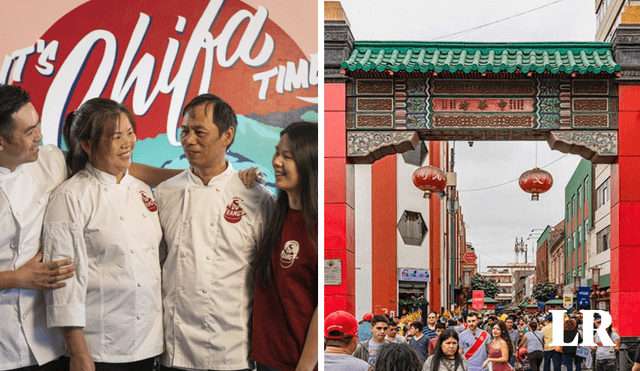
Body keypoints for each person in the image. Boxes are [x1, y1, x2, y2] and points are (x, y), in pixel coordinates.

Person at [155, 93, 276, 371]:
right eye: (184, 131)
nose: (189, 140)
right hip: (175, 347)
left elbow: (268, 275)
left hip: (232, 347)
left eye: (200, 132)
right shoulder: (165, 193)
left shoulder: (256, 197)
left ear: (227, 135)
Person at [43, 98, 164, 371]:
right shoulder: (71, 196)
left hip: (150, 343)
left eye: (130, 133)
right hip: (100, 349)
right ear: (87, 145)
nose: (127, 143)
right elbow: (63, 285)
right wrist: (79, 353)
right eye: (116, 137)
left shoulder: (143, 189)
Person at [0, 84, 76, 370]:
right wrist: (17, 278)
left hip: (48, 341)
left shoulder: (52, 160)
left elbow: (111, 169)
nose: (40, 136)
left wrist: (187, 174)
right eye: (29, 131)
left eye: (38, 126)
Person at [251, 121, 318, 371]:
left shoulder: (317, 226)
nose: (277, 161)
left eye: (287, 156)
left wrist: (305, 365)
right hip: (265, 359)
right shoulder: (274, 213)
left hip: (297, 363)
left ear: (309, 162)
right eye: (277, 152)